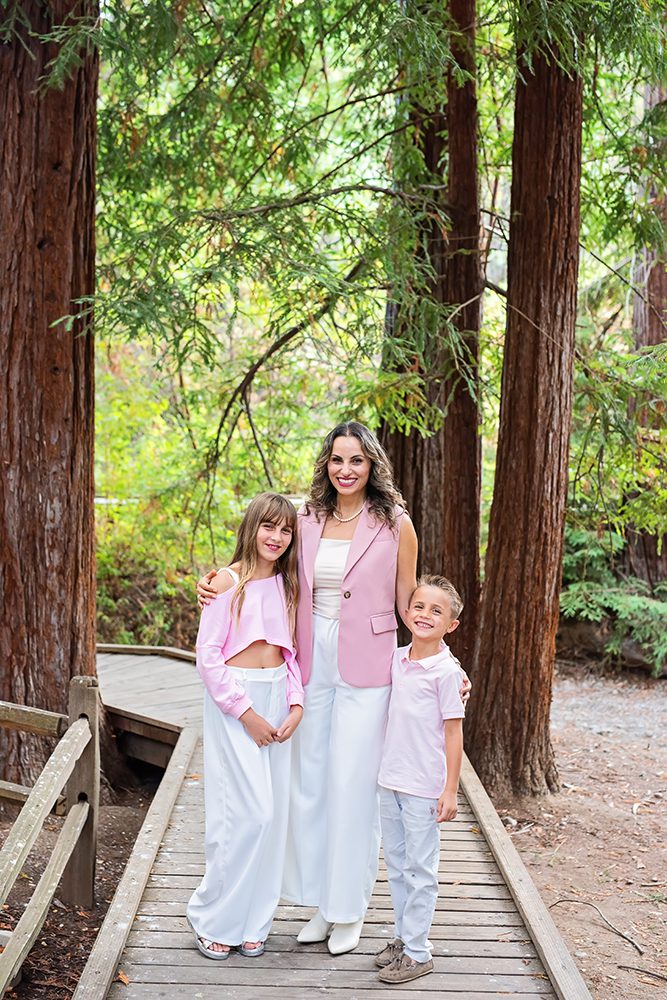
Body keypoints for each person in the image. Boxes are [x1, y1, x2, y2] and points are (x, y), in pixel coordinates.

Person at [197, 421, 470, 956]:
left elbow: (407, 602)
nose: (347, 470)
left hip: (368, 665)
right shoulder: (305, 517)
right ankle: (318, 903)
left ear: (373, 465)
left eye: (358, 461)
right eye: (337, 459)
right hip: (306, 660)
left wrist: (444, 662)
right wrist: (213, 581)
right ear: (326, 463)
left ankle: (348, 910)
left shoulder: (395, 523)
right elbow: (264, 566)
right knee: (309, 786)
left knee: (353, 785)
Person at [187, 492, 304, 960]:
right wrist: (247, 713)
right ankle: (213, 917)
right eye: (268, 527)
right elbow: (208, 658)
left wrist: (294, 703)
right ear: (252, 526)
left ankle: (255, 919)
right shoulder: (225, 582)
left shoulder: (289, 585)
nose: (276, 538)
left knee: (273, 818)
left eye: (285, 530)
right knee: (243, 813)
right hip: (237, 700)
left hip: (277, 694)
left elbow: (292, 651)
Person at [374, 575, 465, 984]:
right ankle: (402, 938)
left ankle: (419, 951)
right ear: (407, 612)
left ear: (451, 625)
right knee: (395, 865)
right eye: (419, 606)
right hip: (389, 779)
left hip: (424, 786)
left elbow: (452, 731)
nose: (425, 614)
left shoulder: (446, 673)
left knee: (420, 869)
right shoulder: (395, 658)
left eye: (436, 610)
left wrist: (450, 789)